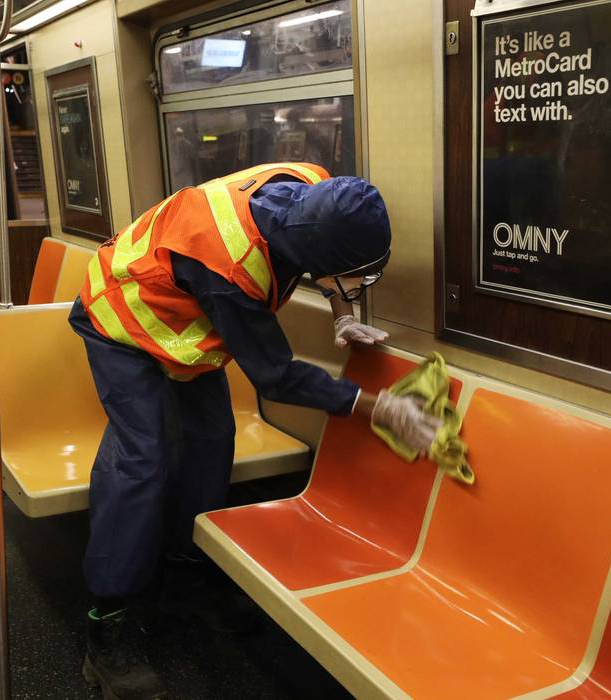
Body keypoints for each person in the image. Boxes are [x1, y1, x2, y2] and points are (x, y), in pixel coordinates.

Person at [69, 162, 440, 699]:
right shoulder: (231, 267)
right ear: (320, 260)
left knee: (213, 443)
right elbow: (275, 376)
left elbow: (332, 263)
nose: (362, 287)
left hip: (186, 327)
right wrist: (376, 407)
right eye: (357, 279)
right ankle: (106, 623)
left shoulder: (316, 188)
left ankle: (186, 569)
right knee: (144, 459)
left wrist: (342, 313)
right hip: (120, 317)